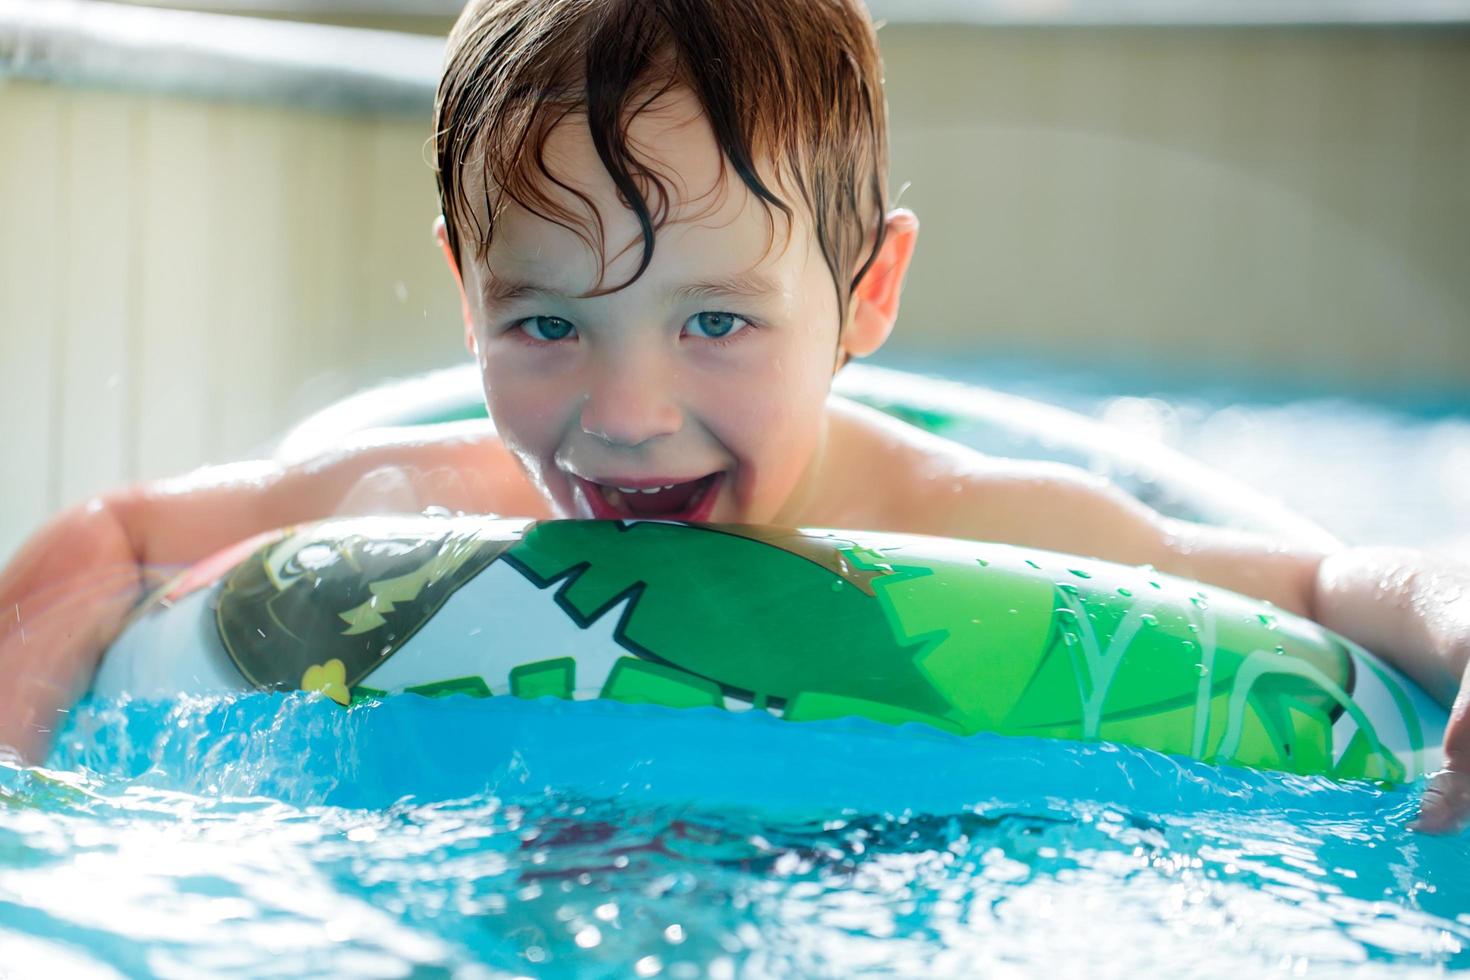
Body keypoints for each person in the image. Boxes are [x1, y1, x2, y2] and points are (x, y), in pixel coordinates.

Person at [2, 0, 1468, 828]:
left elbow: (1313, 583)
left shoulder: (959, 521)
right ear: (466, 299)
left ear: (867, 291)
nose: (624, 414)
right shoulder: (424, 502)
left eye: (714, 322)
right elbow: (121, 532)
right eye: (547, 323)